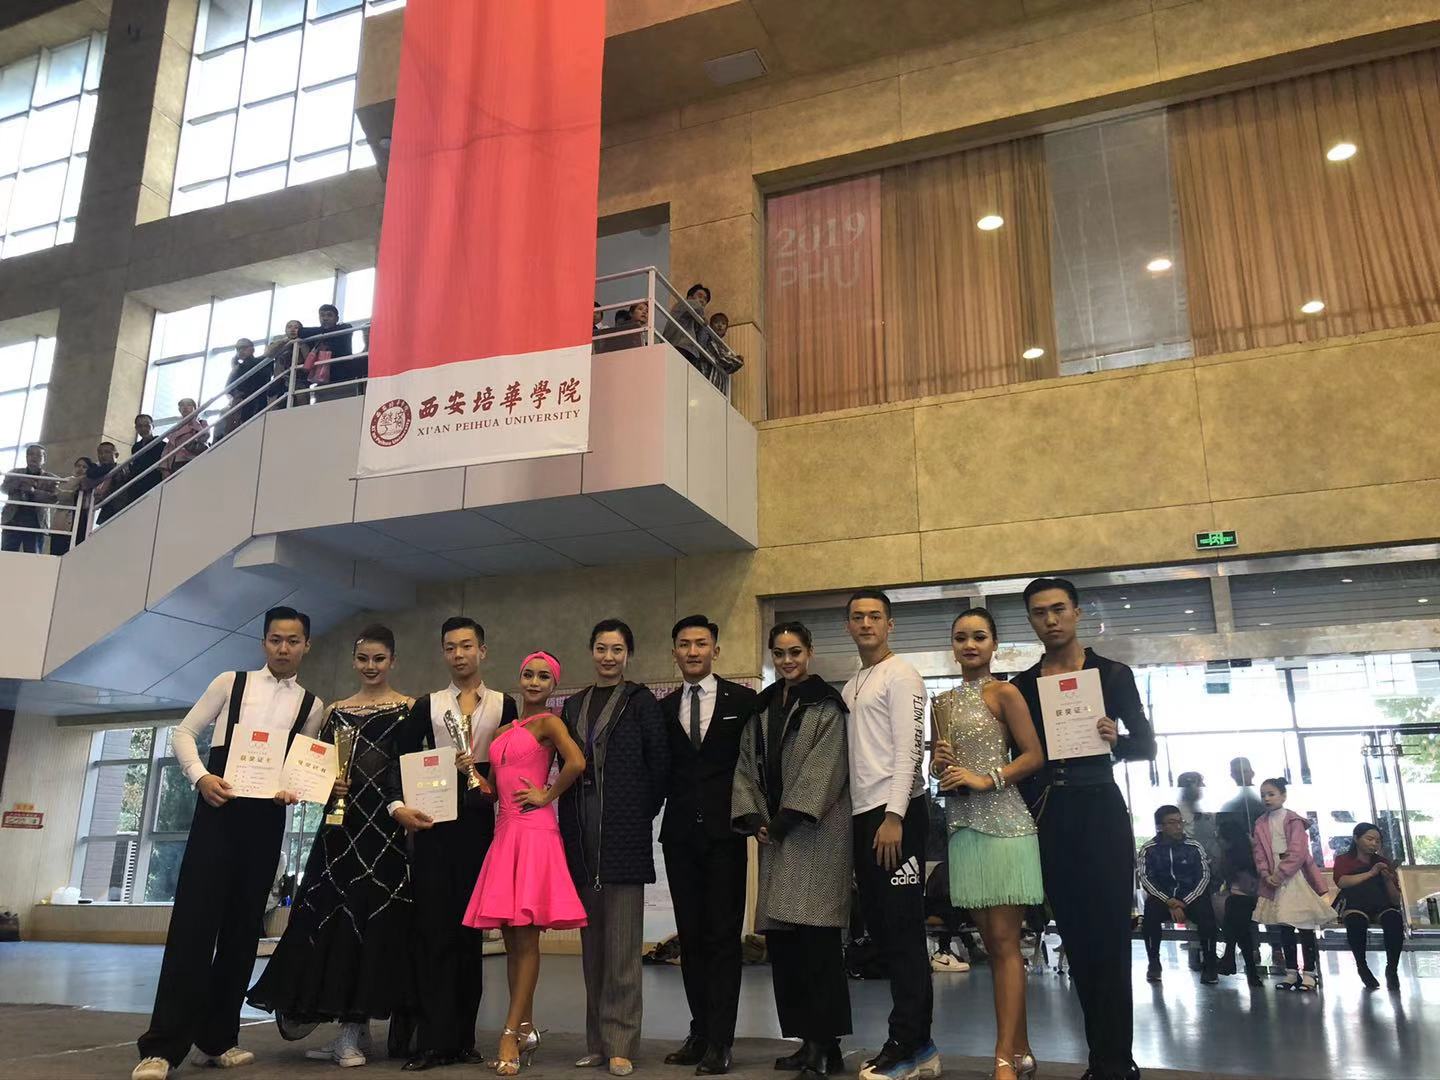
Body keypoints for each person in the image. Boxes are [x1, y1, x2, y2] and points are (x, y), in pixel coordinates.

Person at [133, 607, 325, 1080]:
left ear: (306, 645)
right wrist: (200, 777)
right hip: (217, 813)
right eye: (275, 639)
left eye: (293, 641)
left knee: (243, 932)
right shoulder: (230, 683)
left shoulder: (312, 705)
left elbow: (300, 769)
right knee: (193, 928)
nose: (284, 648)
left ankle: (219, 1038)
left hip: (266, 822)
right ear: (264, 642)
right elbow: (184, 733)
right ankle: (161, 1048)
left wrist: (293, 790)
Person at [247, 625, 419, 1068]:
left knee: (373, 922)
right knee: (334, 923)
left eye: (379, 659)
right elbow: (313, 770)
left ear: (393, 661)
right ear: (353, 661)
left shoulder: (408, 708)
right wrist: (328, 785)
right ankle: (350, 1029)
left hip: (384, 832)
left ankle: (353, 1031)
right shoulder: (335, 711)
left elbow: (410, 769)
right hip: (339, 831)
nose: (370, 667)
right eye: (363, 659)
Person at [1009, 578, 1155, 1080]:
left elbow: (1146, 746)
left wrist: (1118, 739)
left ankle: (1117, 1061)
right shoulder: (1023, 685)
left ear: (1076, 612)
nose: (1050, 620)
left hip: (1102, 808)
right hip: (1052, 812)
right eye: (1039, 612)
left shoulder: (1112, 674)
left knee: (1111, 937)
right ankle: (1099, 1059)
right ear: (1030, 620)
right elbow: (1020, 758)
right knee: (1074, 936)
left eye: (1058, 609)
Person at [393, 616, 518, 1071]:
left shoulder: (505, 705)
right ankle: (432, 1041)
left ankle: (463, 1039)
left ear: (482, 651)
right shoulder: (427, 705)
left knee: (469, 936)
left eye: (467, 646)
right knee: (434, 933)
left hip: (482, 827)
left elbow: (514, 762)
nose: (459, 654)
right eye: (451, 647)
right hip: (435, 825)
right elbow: (398, 761)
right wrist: (398, 807)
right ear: (443, 653)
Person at [732, 622, 852, 1080]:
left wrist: (783, 820)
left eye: (795, 652)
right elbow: (746, 766)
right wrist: (755, 818)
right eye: (780, 653)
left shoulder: (827, 705)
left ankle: (827, 1044)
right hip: (776, 837)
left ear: (810, 652)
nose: (788, 661)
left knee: (818, 944)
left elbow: (827, 768)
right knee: (786, 947)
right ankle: (807, 1042)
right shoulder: (763, 706)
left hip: (815, 835)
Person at [929, 608, 1044, 1080]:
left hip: (1007, 827)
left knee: (1005, 942)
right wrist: (938, 764)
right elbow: (940, 770)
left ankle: (1001, 1057)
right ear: (953, 646)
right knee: (993, 946)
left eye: (979, 637)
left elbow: (1034, 756)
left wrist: (986, 778)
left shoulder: (1005, 692)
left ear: (994, 644)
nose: (970, 645)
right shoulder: (941, 702)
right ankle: (1022, 1049)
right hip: (963, 829)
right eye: (961, 638)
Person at [461, 651, 587, 1074]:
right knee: (512, 942)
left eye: (543, 677)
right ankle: (526, 1027)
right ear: (519, 678)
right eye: (528, 674)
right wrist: (474, 776)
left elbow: (577, 762)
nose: (534, 682)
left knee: (527, 940)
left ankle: (508, 1033)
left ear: (553, 685)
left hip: (534, 833)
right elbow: (496, 790)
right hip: (505, 834)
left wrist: (547, 795)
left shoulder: (550, 723)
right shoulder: (503, 730)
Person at [558, 618, 670, 1077]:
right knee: (592, 951)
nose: (609, 657)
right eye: (602, 648)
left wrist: (635, 812)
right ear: (591, 651)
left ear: (628, 655)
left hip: (623, 836)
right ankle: (597, 1043)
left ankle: (622, 1043)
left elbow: (659, 765)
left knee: (623, 950)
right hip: (581, 835)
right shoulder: (573, 704)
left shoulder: (641, 703)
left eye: (617, 649)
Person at [840, 590, 939, 1080]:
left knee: (903, 933)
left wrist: (895, 815)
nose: (866, 623)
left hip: (896, 815)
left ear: (890, 624)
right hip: (863, 816)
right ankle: (919, 1044)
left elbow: (910, 749)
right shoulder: (852, 684)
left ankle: (910, 1044)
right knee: (882, 931)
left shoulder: (902, 675)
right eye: (858, 617)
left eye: (875, 616)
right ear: (849, 626)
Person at [659, 615, 758, 1075]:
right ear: (674, 653)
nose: (693, 651)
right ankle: (699, 1032)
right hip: (679, 836)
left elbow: (756, 765)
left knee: (723, 939)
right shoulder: (663, 708)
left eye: (701, 644)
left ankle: (721, 1039)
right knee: (692, 938)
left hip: (725, 836)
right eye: (685, 644)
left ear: (715, 650)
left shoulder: (744, 701)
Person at [1252, 777, 1334, 991]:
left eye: (1271, 794)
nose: (1267, 798)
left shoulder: (1293, 820)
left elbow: (1298, 851)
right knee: (1284, 926)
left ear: (1283, 795)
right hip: (1273, 878)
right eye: (1263, 795)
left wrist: (1280, 874)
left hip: (1296, 876)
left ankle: (1309, 973)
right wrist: (1265, 874)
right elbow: (1259, 852)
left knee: (1304, 925)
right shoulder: (1260, 822)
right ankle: (1291, 972)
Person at [1137, 805, 1218, 985]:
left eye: (1180, 821)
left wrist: (1183, 901)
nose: (1178, 826)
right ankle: (1154, 964)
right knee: (1149, 917)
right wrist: (1169, 901)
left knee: (1207, 917)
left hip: (1191, 897)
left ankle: (1210, 965)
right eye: (1172, 822)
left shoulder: (1194, 846)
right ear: (1160, 826)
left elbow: (1204, 876)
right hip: (1162, 898)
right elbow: (1146, 878)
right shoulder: (1149, 848)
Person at [1333, 822, 1405, 990]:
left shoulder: (1383, 862)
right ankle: (1362, 966)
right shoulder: (1344, 860)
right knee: (1356, 922)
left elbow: (1395, 900)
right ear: (1356, 838)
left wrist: (1387, 879)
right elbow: (1342, 882)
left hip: (1381, 905)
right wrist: (1371, 873)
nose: (1374, 844)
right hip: (1355, 904)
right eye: (1369, 839)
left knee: (1394, 919)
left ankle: (1392, 968)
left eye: (1378, 841)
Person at [1215, 757, 1266, 984]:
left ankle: (1230, 956)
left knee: (1236, 911)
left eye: (1244, 770)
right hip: (1244, 879)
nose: (1241, 775)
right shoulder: (1233, 805)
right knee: (1237, 912)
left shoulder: (1258, 803)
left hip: (1262, 879)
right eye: (1237, 771)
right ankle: (1247, 967)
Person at [1, 444, 58, 553]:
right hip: (12, 520)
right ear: (26, 457)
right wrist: (19, 483)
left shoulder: (50, 478)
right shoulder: (15, 473)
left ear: (44, 459)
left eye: (38, 455)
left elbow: (54, 498)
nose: (34, 457)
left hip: (36, 523)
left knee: (33, 556)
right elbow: (3, 488)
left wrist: (33, 491)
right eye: (31, 454)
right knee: (6, 554)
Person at [305, 304, 358, 399]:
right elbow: (302, 332)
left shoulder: (344, 329)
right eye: (322, 315)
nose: (325, 318)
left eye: (329, 315)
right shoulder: (317, 335)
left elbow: (303, 332)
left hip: (343, 379)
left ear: (337, 319)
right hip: (322, 380)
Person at [266, 321, 310, 407]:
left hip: (299, 382)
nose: (292, 329)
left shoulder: (305, 342)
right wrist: (285, 341)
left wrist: (301, 344)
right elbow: (269, 354)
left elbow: (307, 359)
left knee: (300, 405)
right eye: (289, 327)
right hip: (279, 381)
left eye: (296, 327)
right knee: (274, 407)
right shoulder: (280, 342)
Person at [165, 398, 210, 473]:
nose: (185, 407)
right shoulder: (175, 428)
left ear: (195, 408)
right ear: (179, 409)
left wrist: (194, 422)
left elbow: (205, 436)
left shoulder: (202, 423)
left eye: (189, 405)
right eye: (182, 405)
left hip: (196, 458)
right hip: (178, 461)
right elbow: (169, 448)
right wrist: (165, 468)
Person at [86, 441, 121, 526]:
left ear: (116, 455)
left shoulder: (122, 469)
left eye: (107, 452)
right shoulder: (96, 470)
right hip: (106, 510)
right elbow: (90, 474)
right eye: (100, 453)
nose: (103, 455)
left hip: (118, 508)